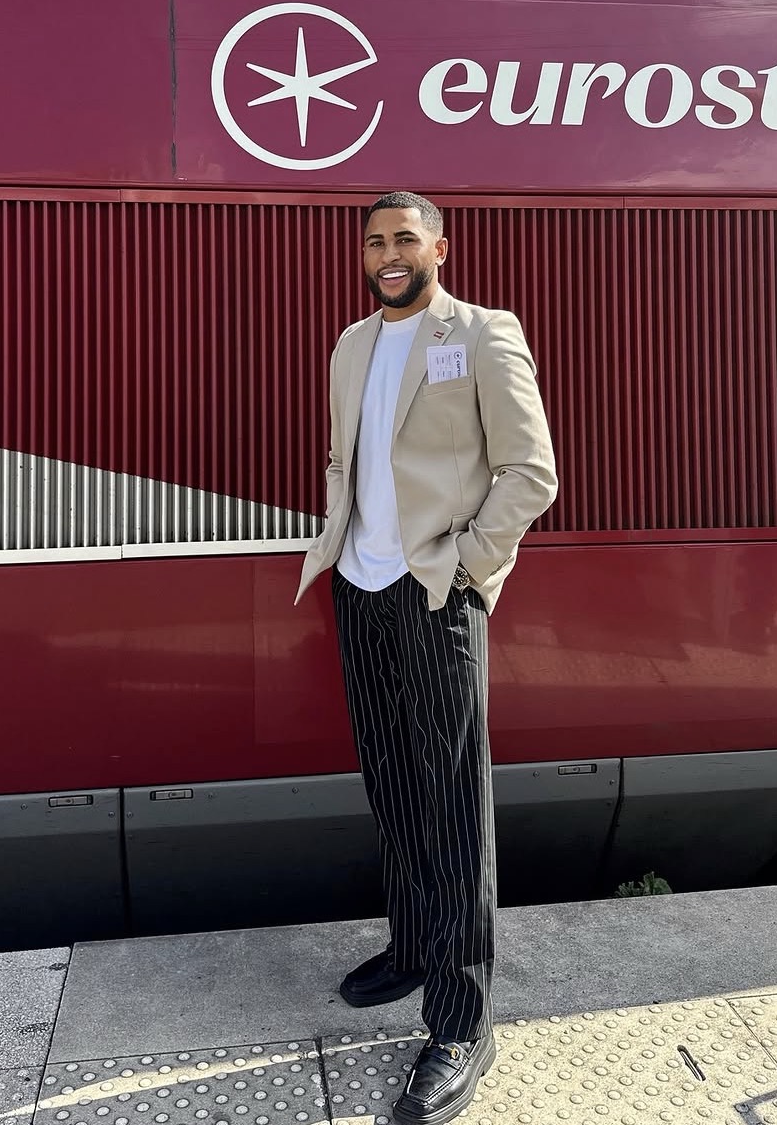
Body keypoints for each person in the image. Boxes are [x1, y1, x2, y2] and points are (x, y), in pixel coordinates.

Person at [295, 191, 558, 1125]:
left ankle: (460, 1020)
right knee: (394, 783)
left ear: (440, 246)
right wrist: (338, 541)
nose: (389, 253)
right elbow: (342, 459)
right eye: (375, 240)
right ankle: (413, 949)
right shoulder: (351, 344)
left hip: (436, 589)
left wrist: (469, 569)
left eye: (406, 238)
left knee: (453, 804)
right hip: (357, 589)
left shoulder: (484, 332)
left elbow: (532, 470)